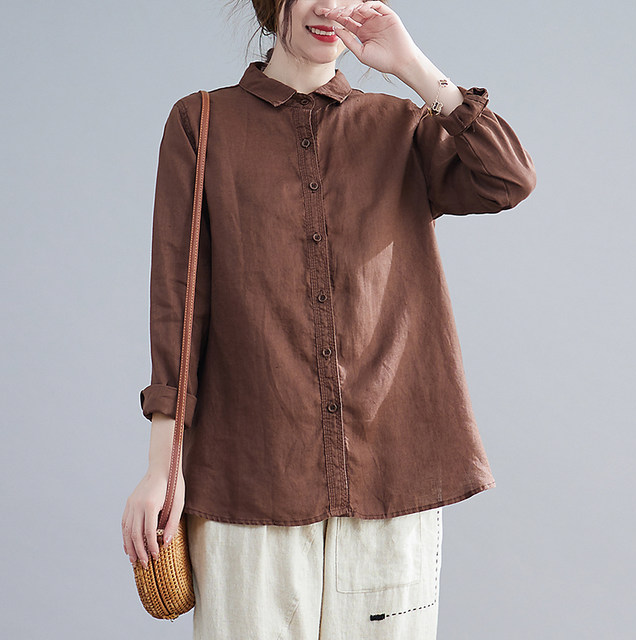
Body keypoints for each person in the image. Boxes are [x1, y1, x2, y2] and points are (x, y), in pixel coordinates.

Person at [122, 1, 536, 637]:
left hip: (391, 475)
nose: (328, 6)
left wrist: (413, 67)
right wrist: (162, 467)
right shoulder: (202, 124)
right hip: (250, 476)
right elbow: (178, 302)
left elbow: (507, 178)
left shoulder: (400, 126)